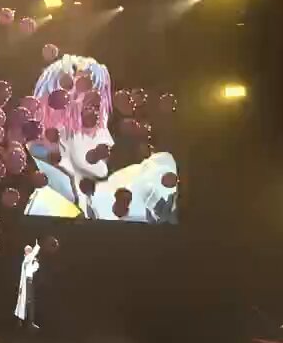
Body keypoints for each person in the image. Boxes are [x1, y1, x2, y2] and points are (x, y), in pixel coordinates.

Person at [22, 55, 179, 223]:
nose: (108, 139)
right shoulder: (45, 203)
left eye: (102, 118)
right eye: (91, 116)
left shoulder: (104, 192)